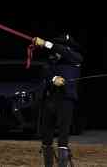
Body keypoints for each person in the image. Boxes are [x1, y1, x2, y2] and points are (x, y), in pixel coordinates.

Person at [33, 33, 84, 167]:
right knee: (46, 136)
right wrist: (53, 79)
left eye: (61, 46)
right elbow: (45, 74)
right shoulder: (50, 62)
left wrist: (46, 44)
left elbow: (63, 51)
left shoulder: (75, 58)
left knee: (63, 136)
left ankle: (62, 165)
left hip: (66, 100)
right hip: (50, 100)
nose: (56, 50)